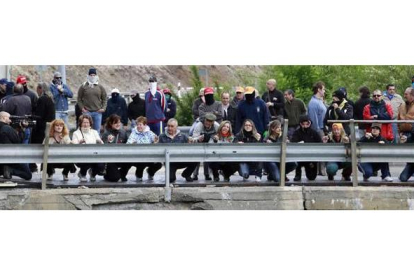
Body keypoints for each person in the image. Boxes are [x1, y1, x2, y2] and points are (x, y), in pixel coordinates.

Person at [158, 118, 197, 183]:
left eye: (172, 126)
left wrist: (191, 142)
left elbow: (190, 147)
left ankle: (186, 174)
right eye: (168, 126)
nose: (169, 128)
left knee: (195, 160)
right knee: (171, 179)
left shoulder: (183, 136)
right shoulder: (162, 136)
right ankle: (171, 175)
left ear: (176, 127)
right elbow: (158, 150)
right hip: (170, 162)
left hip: (181, 159)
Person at [126, 116, 162, 181]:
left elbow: (156, 140)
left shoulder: (149, 133)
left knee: (159, 164)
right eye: (137, 125)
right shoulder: (134, 133)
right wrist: (132, 144)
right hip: (137, 156)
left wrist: (155, 141)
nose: (139, 126)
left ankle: (150, 172)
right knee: (142, 162)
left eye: (140, 125)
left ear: (145, 125)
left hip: (149, 156)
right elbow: (128, 143)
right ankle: (139, 175)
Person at [72, 114, 105, 182]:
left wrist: (100, 141)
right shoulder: (76, 133)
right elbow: (74, 145)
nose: (86, 124)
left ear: (90, 123)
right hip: (81, 156)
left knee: (101, 165)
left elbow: (101, 143)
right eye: (84, 122)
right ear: (80, 123)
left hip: (94, 155)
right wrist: (79, 142)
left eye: (87, 122)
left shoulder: (95, 132)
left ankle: (93, 173)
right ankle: (82, 174)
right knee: (86, 160)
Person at [0, 111, 32, 180]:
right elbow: (18, 141)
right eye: (9, 118)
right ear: (3, 118)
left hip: (2, 158)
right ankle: (10, 170)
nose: (10, 120)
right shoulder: (6, 128)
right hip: (10, 157)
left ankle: (5, 170)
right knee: (28, 175)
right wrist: (22, 129)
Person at [291, 115, 322, 181]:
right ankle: (298, 174)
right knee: (297, 163)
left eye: (307, 123)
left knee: (311, 178)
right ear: (300, 124)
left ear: (310, 123)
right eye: (303, 123)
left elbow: (320, 143)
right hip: (299, 156)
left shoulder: (314, 133)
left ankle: (311, 170)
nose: (305, 125)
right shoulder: (297, 133)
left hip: (311, 157)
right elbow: (293, 143)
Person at [77, 67, 107, 132]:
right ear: (88, 76)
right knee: (86, 130)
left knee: (97, 131)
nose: (92, 76)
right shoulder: (83, 86)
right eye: (91, 75)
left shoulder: (100, 87)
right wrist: (82, 108)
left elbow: (105, 98)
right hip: (86, 112)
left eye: (94, 75)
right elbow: (79, 98)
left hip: (97, 112)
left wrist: (103, 108)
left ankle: (96, 142)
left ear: (96, 76)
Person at [191, 113, 219, 181]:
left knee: (208, 156)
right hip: (199, 143)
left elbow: (220, 137)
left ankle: (207, 174)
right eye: (207, 120)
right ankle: (195, 174)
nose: (208, 122)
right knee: (197, 155)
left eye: (210, 121)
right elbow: (193, 138)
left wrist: (216, 138)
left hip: (210, 144)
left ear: (213, 122)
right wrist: (198, 139)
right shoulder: (199, 125)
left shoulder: (216, 126)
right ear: (205, 119)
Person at [101, 114, 130, 182]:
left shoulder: (123, 132)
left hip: (121, 157)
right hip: (110, 159)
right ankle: (108, 175)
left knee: (129, 161)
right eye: (115, 123)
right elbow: (103, 148)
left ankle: (122, 174)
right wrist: (108, 141)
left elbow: (127, 145)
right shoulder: (106, 133)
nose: (118, 124)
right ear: (111, 123)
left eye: (119, 122)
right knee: (115, 178)